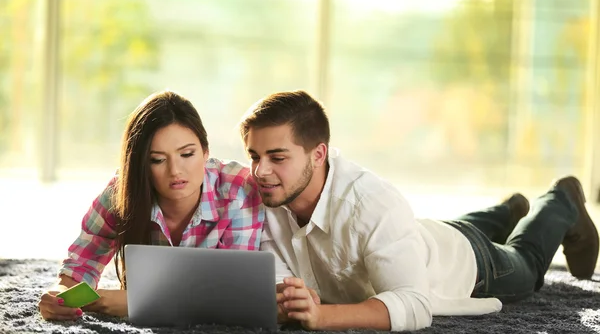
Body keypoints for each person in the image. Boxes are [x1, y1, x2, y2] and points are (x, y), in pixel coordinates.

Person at [241, 89, 600, 332]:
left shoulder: (370, 203)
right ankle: (507, 210)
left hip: (468, 265)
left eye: (277, 157)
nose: (261, 171)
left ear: (318, 154)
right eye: (255, 157)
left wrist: (323, 315)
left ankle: (561, 199)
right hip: (422, 235)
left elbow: (414, 304)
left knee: (528, 263)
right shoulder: (266, 195)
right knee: (427, 231)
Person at [38, 90, 264, 321]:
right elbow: (83, 263)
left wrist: (134, 300)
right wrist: (60, 296)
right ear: (141, 165)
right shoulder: (121, 192)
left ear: (206, 152)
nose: (175, 171)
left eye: (187, 154)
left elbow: (233, 291)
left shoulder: (239, 189)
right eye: (157, 160)